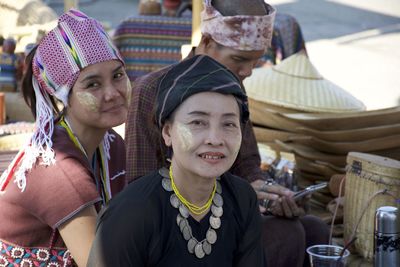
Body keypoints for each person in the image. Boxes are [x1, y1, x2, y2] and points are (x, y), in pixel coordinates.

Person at [124, 0, 329, 266]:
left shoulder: (233, 88)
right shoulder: (150, 90)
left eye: (256, 61)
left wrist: (268, 193)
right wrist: (232, 198)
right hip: (174, 226)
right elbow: (140, 189)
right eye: (240, 59)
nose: (247, 72)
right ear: (207, 42)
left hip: (229, 212)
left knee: (315, 230)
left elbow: (248, 165)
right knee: (285, 233)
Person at [88, 54, 264, 266]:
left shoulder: (243, 199)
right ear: (168, 132)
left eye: (228, 124)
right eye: (198, 122)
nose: (215, 139)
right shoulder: (132, 213)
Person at [0, 9, 129, 267]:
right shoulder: (58, 166)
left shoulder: (111, 144)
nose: (113, 93)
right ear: (62, 96)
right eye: (92, 84)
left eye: (118, 75)